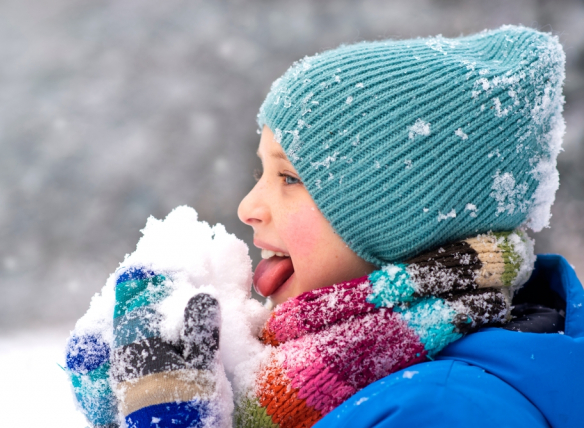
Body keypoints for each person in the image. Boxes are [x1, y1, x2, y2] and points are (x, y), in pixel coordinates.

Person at [66, 26, 584, 428]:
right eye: (260, 173)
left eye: (290, 178)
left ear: (402, 216)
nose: (249, 207)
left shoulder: (440, 408)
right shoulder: (354, 378)